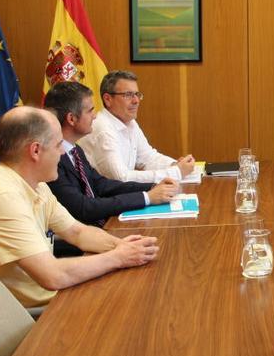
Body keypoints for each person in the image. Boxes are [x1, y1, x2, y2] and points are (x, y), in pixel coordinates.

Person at [0, 106, 159, 308]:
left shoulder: (36, 186)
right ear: (35, 151)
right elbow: (53, 275)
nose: (63, 153)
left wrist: (122, 247)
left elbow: (77, 232)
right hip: (13, 314)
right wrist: (118, 257)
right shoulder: (2, 197)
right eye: (58, 145)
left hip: (43, 295)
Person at [44, 82, 179, 256]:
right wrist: (147, 198)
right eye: (90, 110)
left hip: (96, 232)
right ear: (71, 119)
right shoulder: (52, 159)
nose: (95, 116)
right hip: (75, 245)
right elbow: (83, 208)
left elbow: (101, 185)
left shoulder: (74, 150)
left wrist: (152, 186)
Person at [79, 70, 195, 183]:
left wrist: (174, 164)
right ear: (108, 99)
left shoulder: (129, 122)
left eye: (137, 94)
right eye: (128, 95)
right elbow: (121, 178)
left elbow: (147, 157)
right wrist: (176, 172)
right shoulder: (102, 128)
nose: (136, 101)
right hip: (103, 198)